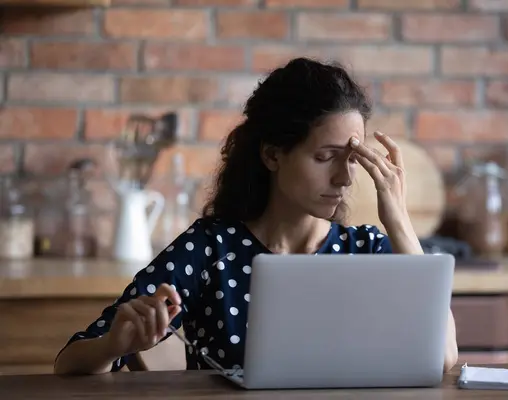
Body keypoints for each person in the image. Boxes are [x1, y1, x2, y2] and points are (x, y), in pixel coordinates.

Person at [54, 57, 458, 376]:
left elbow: (443, 358)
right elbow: (69, 360)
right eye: (325, 157)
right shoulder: (212, 247)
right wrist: (115, 346)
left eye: (352, 159)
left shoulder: (369, 250)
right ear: (272, 155)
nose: (344, 177)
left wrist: (400, 223)